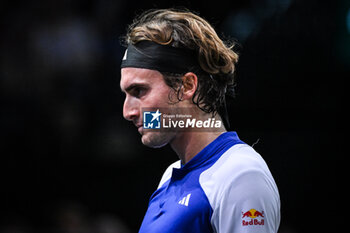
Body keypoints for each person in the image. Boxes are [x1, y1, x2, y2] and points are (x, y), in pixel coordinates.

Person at [120, 9, 280, 233]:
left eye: (139, 91)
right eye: (126, 94)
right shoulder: (169, 177)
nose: (128, 111)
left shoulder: (241, 175)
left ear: (186, 86)